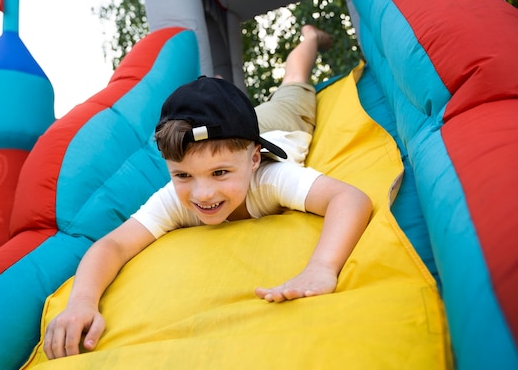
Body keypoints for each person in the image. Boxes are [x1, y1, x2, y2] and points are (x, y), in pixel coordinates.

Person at [43, 25, 372, 360]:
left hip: (282, 120)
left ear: (254, 159)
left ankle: (311, 39)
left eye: (220, 173)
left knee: (293, 80)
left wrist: (322, 266)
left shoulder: (269, 178)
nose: (202, 193)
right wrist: (82, 300)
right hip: (237, 134)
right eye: (183, 174)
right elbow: (112, 245)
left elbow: (349, 198)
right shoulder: (176, 197)